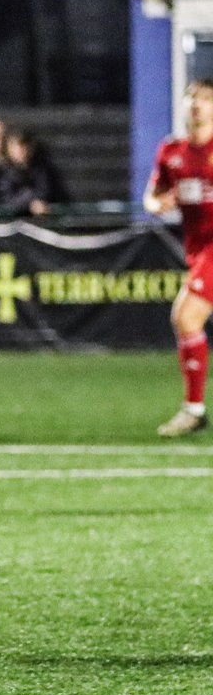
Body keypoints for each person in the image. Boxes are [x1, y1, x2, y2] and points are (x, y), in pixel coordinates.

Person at [143, 78, 213, 438]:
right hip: (199, 251)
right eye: (192, 98)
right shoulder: (172, 152)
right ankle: (194, 410)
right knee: (187, 321)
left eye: (205, 99)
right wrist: (158, 204)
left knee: (186, 316)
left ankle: (194, 410)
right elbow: (151, 196)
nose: (197, 105)